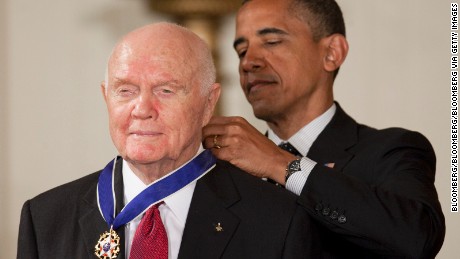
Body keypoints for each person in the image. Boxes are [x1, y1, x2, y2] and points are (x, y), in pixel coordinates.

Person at [17, 22, 319, 259]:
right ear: (105, 97)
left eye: (166, 90)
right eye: (125, 90)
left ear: (208, 102)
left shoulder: (277, 220)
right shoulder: (45, 219)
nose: (143, 109)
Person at [202, 0, 445, 258]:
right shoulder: (219, 171)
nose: (248, 62)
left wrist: (279, 164)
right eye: (241, 51)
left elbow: (417, 238)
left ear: (332, 53)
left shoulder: (391, 151)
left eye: (272, 42)